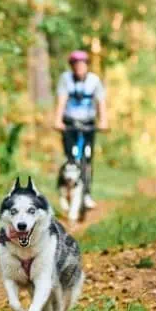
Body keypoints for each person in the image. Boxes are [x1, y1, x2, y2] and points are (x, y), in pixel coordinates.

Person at [53, 50, 108, 209]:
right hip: (69, 122)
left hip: (88, 123)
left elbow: (101, 102)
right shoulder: (66, 79)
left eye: (82, 64)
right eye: (75, 65)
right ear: (71, 66)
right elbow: (61, 100)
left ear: (87, 66)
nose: (79, 67)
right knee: (70, 158)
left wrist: (103, 121)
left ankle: (87, 193)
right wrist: (57, 120)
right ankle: (64, 190)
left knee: (87, 160)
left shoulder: (94, 80)